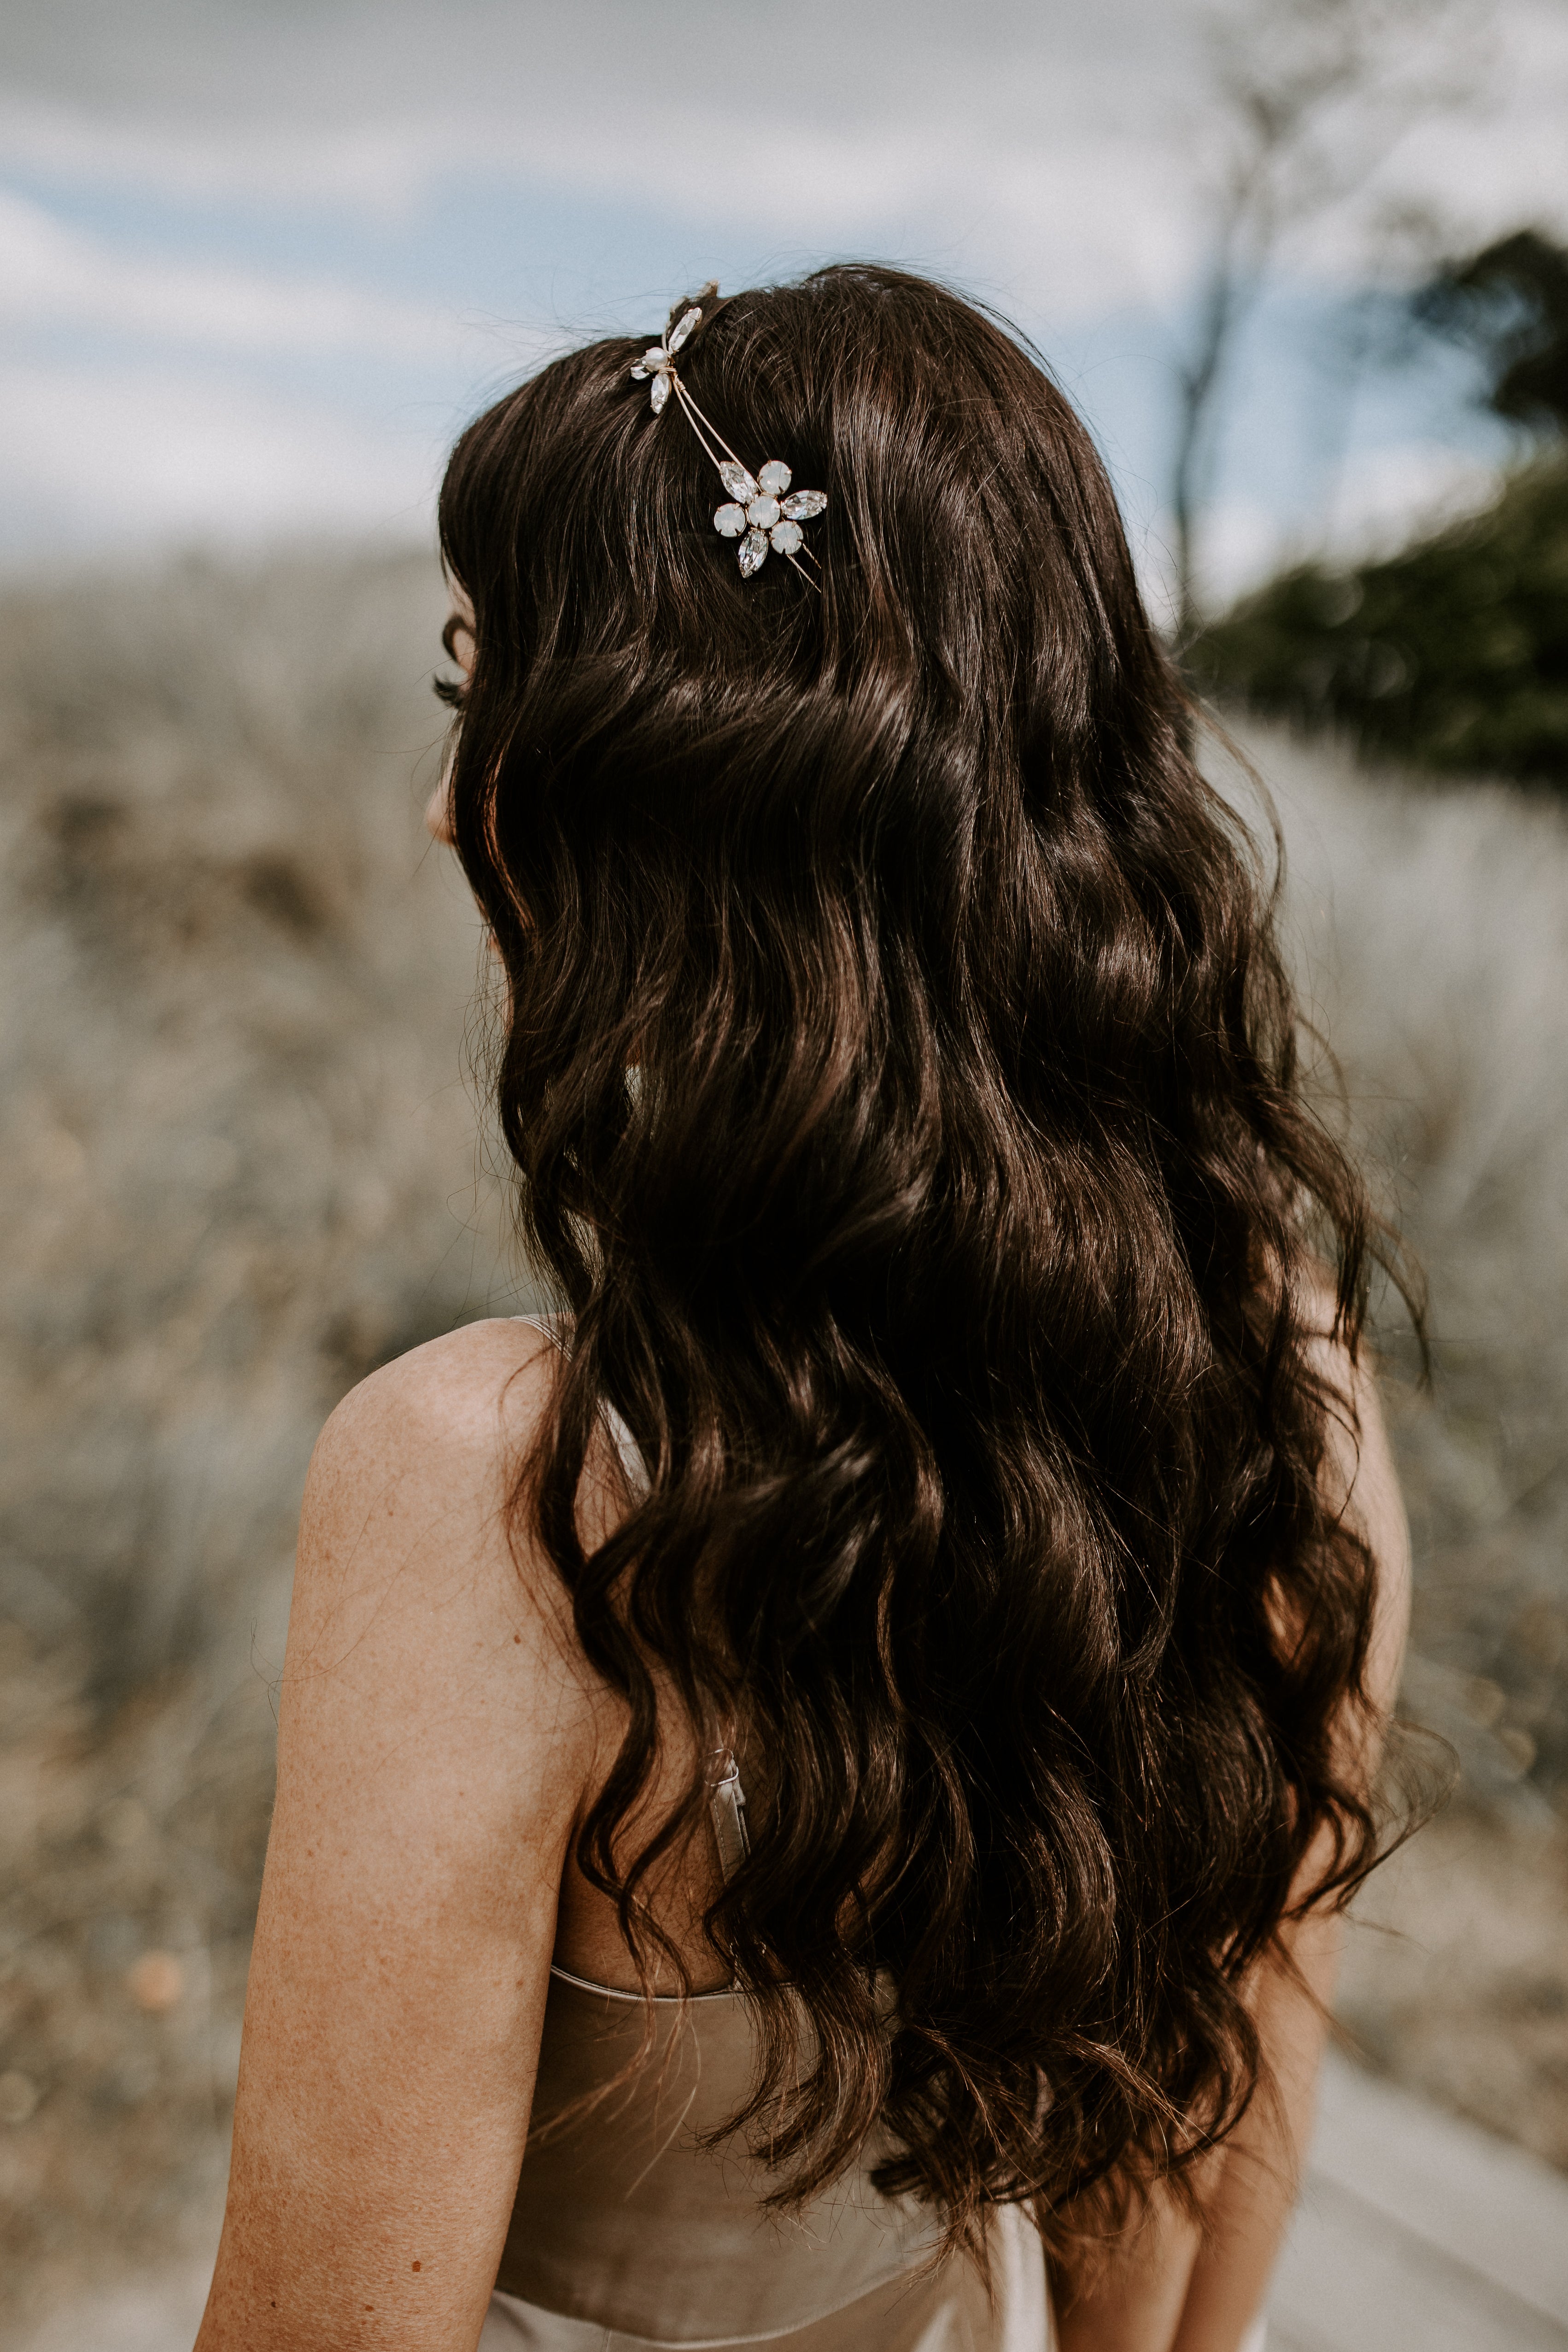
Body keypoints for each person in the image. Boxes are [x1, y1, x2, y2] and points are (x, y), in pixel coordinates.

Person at [194, 265, 1415, 2352]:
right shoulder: (1274, 1371)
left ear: (687, 779)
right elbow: (1210, 2162)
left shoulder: (497, 1490)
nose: (444, 800)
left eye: (490, 698)